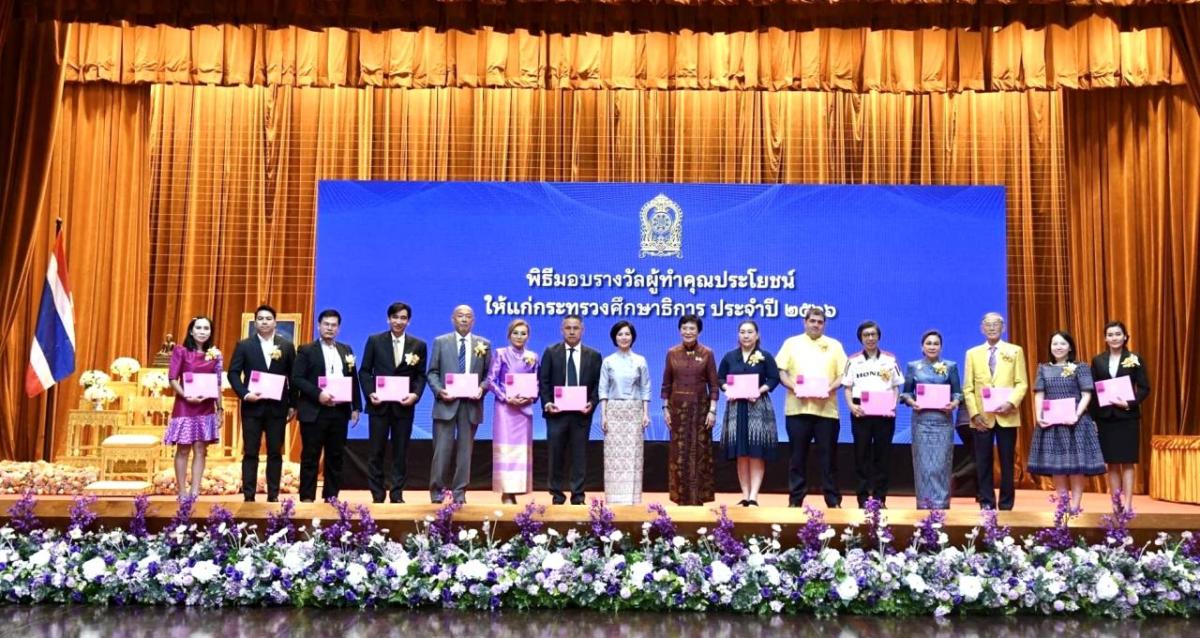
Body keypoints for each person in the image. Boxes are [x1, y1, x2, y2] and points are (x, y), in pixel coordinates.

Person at [775, 306, 847, 508]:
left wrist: (829, 389)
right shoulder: (791, 343)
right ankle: (795, 500)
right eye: (812, 321)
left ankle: (833, 501)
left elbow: (843, 374)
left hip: (827, 411)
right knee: (797, 458)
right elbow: (781, 371)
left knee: (828, 459)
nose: (816, 324)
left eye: (820, 322)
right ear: (804, 322)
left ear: (824, 324)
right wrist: (795, 387)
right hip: (798, 410)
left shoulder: (835, 345)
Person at [1027, 330, 1105, 511]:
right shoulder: (1043, 368)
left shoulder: (1081, 367)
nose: (1058, 347)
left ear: (1070, 347)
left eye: (1062, 343)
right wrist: (1039, 416)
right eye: (1055, 344)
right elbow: (1039, 394)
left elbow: (1086, 394)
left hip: (1076, 423)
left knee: (1077, 466)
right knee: (1057, 467)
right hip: (1052, 423)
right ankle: (1063, 504)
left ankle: (1076, 506)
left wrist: (1076, 415)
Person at [358, 302, 427, 504]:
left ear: (409, 321)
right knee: (376, 452)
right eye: (395, 317)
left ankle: (397, 494)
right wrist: (370, 393)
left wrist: (415, 395)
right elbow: (364, 371)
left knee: (401, 452)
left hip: (404, 407)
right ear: (388, 319)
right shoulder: (375, 341)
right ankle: (377, 494)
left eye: (403, 318)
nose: (399, 321)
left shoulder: (418, 345)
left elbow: (421, 376)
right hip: (379, 406)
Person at [227, 304, 296, 502]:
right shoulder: (244, 345)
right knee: (251, 452)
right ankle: (249, 495)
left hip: (277, 408)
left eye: (268, 319)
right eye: (260, 319)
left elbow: (293, 376)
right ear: (255, 322)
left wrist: (293, 404)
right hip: (252, 407)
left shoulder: (286, 346)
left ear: (275, 322)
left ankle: (273, 495)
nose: (264, 322)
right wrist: (245, 393)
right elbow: (233, 373)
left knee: (275, 452)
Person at [292, 309, 362, 502]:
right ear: (319, 326)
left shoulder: (346, 350)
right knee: (310, 456)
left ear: (338, 329)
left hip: (339, 411)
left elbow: (353, 379)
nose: (330, 328)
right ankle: (307, 497)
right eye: (326, 324)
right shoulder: (306, 350)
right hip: (315, 411)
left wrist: (356, 406)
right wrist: (318, 394)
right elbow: (297, 378)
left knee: (336, 456)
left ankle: (331, 497)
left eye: (334, 325)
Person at [962, 312, 1029, 510]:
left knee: (1007, 462)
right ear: (982, 328)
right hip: (982, 417)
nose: (992, 328)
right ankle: (986, 503)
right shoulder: (972, 353)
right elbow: (968, 388)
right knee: (982, 461)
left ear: (1003, 328)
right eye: (988, 325)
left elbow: (1021, 383)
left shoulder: (1015, 351)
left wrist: (1011, 403)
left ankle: (1007, 504)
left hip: (1007, 415)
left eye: (996, 324)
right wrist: (974, 414)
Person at [427, 305, 492, 504]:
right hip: (446, 404)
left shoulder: (484, 343)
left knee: (465, 452)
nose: (464, 319)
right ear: (452, 319)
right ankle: (437, 491)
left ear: (473, 321)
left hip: (471, 406)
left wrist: (482, 388)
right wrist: (439, 390)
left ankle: (459, 492)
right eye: (460, 316)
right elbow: (432, 372)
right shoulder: (440, 342)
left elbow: (490, 375)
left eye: (468, 316)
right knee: (442, 451)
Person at [538, 314, 602, 505]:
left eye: (576, 328)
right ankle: (557, 495)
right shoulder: (551, 352)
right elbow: (544, 381)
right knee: (555, 456)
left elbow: (599, 384)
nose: (572, 331)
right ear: (562, 330)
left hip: (581, 415)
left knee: (579, 456)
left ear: (582, 330)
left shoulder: (594, 355)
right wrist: (547, 402)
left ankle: (578, 495)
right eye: (568, 328)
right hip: (556, 414)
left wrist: (592, 402)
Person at [1089, 320, 1151, 512]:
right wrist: (1093, 418)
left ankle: (1129, 504)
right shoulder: (1098, 360)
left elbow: (1144, 387)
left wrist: (1129, 403)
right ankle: (1116, 504)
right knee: (1113, 462)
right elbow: (1093, 389)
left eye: (1118, 334)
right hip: (1106, 417)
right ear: (1105, 338)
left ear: (1125, 337)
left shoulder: (1134, 358)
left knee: (1128, 461)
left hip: (1127, 416)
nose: (1114, 338)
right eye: (1110, 334)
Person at [841, 320, 904, 508]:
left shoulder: (890, 359)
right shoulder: (852, 360)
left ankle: (880, 498)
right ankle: (861, 498)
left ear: (878, 337)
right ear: (860, 338)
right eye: (866, 335)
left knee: (882, 457)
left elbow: (895, 386)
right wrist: (851, 406)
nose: (870, 338)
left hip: (885, 412)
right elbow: (847, 387)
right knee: (861, 456)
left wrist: (892, 406)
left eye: (873, 334)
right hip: (861, 411)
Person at [717, 320, 779, 507]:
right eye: (742, 332)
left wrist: (759, 390)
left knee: (755, 451)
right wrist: (727, 388)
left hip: (757, 407)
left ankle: (754, 496)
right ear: (738, 335)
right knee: (741, 452)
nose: (746, 335)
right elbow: (720, 378)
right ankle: (744, 495)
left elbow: (774, 378)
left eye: (750, 332)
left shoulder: (765, 356)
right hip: (736, 407)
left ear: (757, 335)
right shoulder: (730, 357)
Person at [899, 330, 963, 509]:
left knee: (941, 464)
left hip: (943, 421)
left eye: (936, 343)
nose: (932, 346)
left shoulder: (950, 366)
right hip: (921, 421)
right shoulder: (913, 366)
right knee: (923, 465)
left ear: (941, 347)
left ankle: (941, 504)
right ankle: (924, 503)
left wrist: (954, 403)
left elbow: (958, 392)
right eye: (929, 343)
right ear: (922, 346)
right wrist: (912, 402)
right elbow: (906, 393)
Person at [660, 314, 720, 506]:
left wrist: (712, 410)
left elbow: (714, 385)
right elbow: (666, 384)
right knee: (678, 454)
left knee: (699, 454)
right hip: (677, 410)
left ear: (698, 331)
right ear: (680, 330)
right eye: (685, 328)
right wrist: (664, 408)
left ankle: (698, 498)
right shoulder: (672, 353)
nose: (688, 332)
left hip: (701, 411)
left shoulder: (707, 353)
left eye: (692, 329)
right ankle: (680, 498)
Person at [165, 315, 223, 498]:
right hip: (184, 406)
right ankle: (182, 490)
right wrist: (186, 395)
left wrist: (219, 409)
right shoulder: (180, 351)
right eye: (198, 328)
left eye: (206, 328)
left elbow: (218, 384)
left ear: (211, 332)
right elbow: (172, 378)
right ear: (191, 330)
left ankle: (195, 490)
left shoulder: (216, 354)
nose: (202, 332)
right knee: (183, 449)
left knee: (200, 449)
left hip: (205, 407)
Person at [598, 320, 651, 505]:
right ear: (614, 337)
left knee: (634, 457)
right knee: (614, 459)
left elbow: (646, 388)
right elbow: (603, 389)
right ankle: (613, 500)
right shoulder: (608, 361)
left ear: (632, 337)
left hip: (634, 411)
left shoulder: (640, 360)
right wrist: (603, 415)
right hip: (614, 411)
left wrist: (646, 413)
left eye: (627, 334)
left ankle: (633, 500)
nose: (624, 337)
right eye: (620, 334)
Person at [487, 318, 540, 504]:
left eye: (523, 333)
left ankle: (517, 490)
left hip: (523, 410)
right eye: (516, 333)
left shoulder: (533, 356)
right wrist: (505, 397)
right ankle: (506, 493)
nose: (519, 336)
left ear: (528, 336)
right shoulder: (500, 353)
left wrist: (531, 396)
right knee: (506, 451)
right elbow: (491, 381)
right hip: (505, 409)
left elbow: (537, 382)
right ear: (509, 335)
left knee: (520, 452)